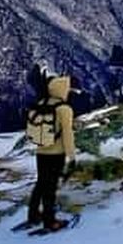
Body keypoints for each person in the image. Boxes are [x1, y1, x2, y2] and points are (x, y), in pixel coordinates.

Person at [27, 75, 77, 232]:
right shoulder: (64, 109)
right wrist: (72, 157)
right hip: (56, 153)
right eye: (67, 89)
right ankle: (50, 221)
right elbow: (68, 135)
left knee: (41, 183)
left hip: (41, 151)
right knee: (51, 187)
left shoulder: (41, 103)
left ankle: (33, 214)